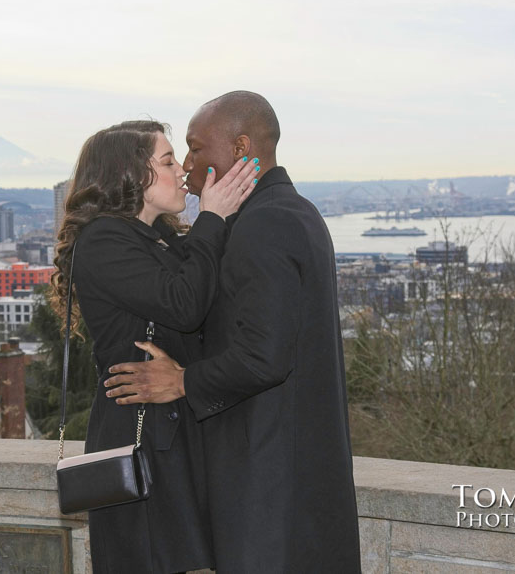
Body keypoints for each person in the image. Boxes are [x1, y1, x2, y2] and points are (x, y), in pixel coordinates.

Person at [105, 92, 363, 572]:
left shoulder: (263, 225)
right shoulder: (293, 213)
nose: (186, 163)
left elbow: (263, 356)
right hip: (291, 475)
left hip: (267, 482)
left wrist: (181, 381)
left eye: (196, 147)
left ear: (241, 147)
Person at [51, 119, 258, 574]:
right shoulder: (105, 240)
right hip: (143, 444)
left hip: (171, 433)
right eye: (166, 161)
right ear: (131, 176)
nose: (182, 170)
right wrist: (212, 216)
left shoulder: (156, 239)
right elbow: (184, 305)